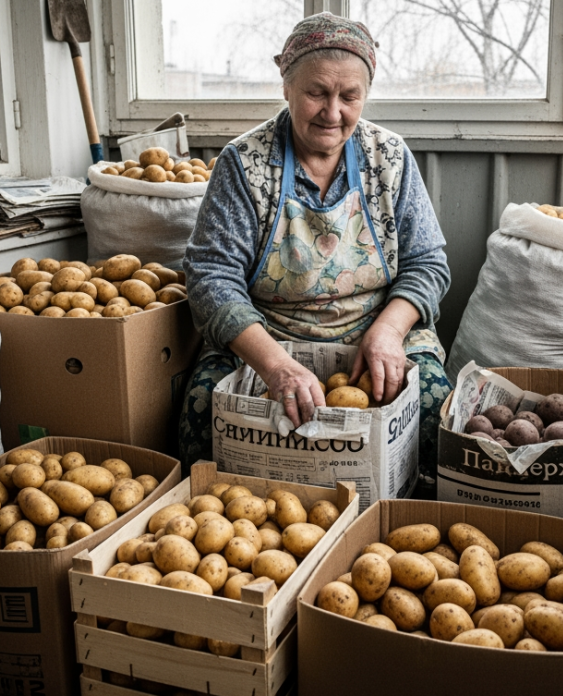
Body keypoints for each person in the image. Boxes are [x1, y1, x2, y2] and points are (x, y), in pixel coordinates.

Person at [179, 12, 452, 495]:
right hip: (270, 339)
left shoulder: (389, 158)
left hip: (376, 334)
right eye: (316, 92)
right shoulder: (243, 164)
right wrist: (275, 365)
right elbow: (211, 277)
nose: (333, 112)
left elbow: (427, 264)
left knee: (433, 411)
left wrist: (388, 333)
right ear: (286, 85)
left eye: (349, 97)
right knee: (204, 409)